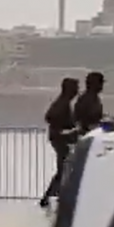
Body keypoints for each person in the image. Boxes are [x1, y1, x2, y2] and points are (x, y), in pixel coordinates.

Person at [37, 78, 80, 208]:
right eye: (76, 88)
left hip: (59, 139)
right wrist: (64, 130)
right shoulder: (62, 104)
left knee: (63, 169)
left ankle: (52, 196)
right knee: (63, 170)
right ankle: (49, 197)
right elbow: (50, 117)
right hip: (61, 140)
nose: (77, 91)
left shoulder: (63, 102)